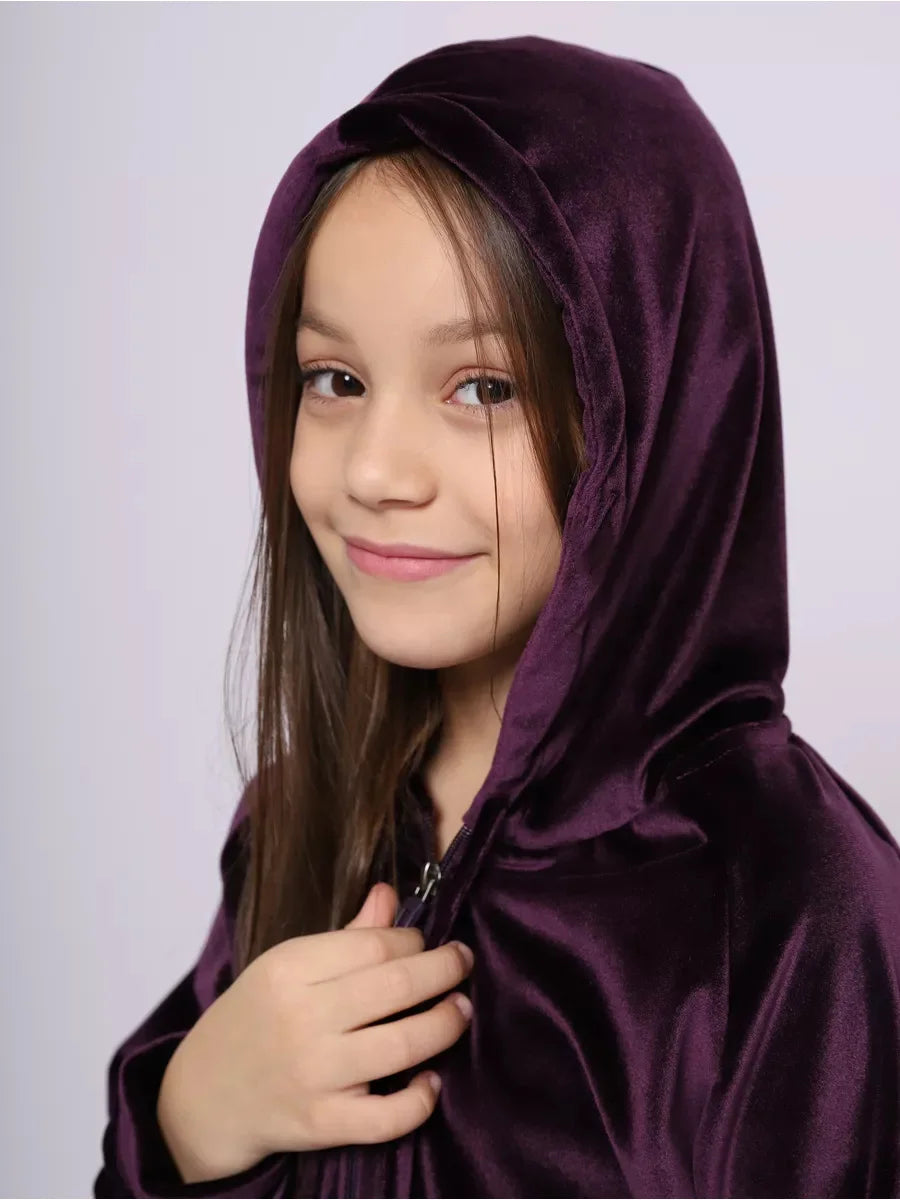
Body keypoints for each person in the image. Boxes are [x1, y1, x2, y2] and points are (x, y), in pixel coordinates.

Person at [93, 34, 900, 1199]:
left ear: (655, 413)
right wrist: (186, 1115)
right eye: (336, 380)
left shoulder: (786, 915)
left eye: (483, 386)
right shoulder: (301, 819)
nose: (376, 469)